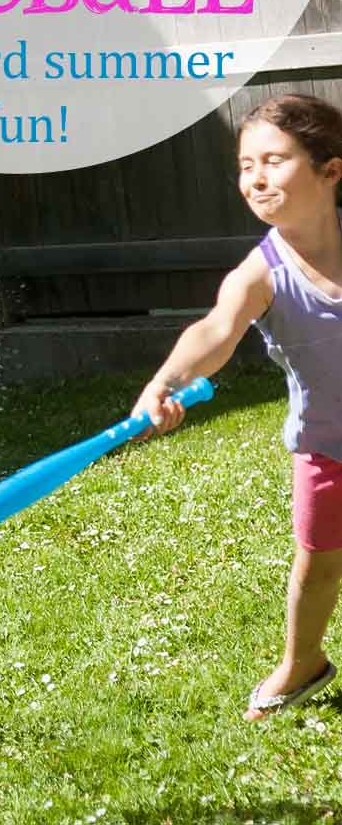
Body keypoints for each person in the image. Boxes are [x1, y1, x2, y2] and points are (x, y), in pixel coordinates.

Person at [131, 93, 342, 720]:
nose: (255, 177)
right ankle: (302, 660)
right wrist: (166, 381)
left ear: (331, 170)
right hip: (329, 447)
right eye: (245, 164)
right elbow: (215, 332)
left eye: (274, 161)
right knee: (318, 565)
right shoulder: (262, 274)